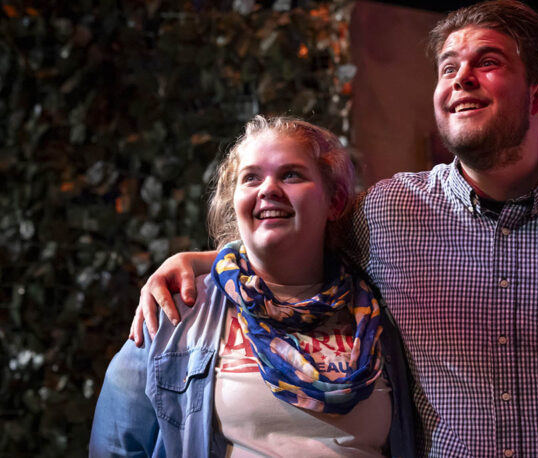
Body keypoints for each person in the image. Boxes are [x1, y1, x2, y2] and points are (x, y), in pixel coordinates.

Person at [130, 1, 538, 456]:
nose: (461, 78)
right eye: (448, 68)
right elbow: (292, 247)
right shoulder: (387, 213)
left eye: (487, 62)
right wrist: (202, 261)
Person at [90, 116, 415, 457]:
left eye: (291, 174)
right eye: (251, 178)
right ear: (236, 202)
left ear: (333, 202)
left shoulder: (380, 313)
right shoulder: (179, 311)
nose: (268, 189)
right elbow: (114, 446)